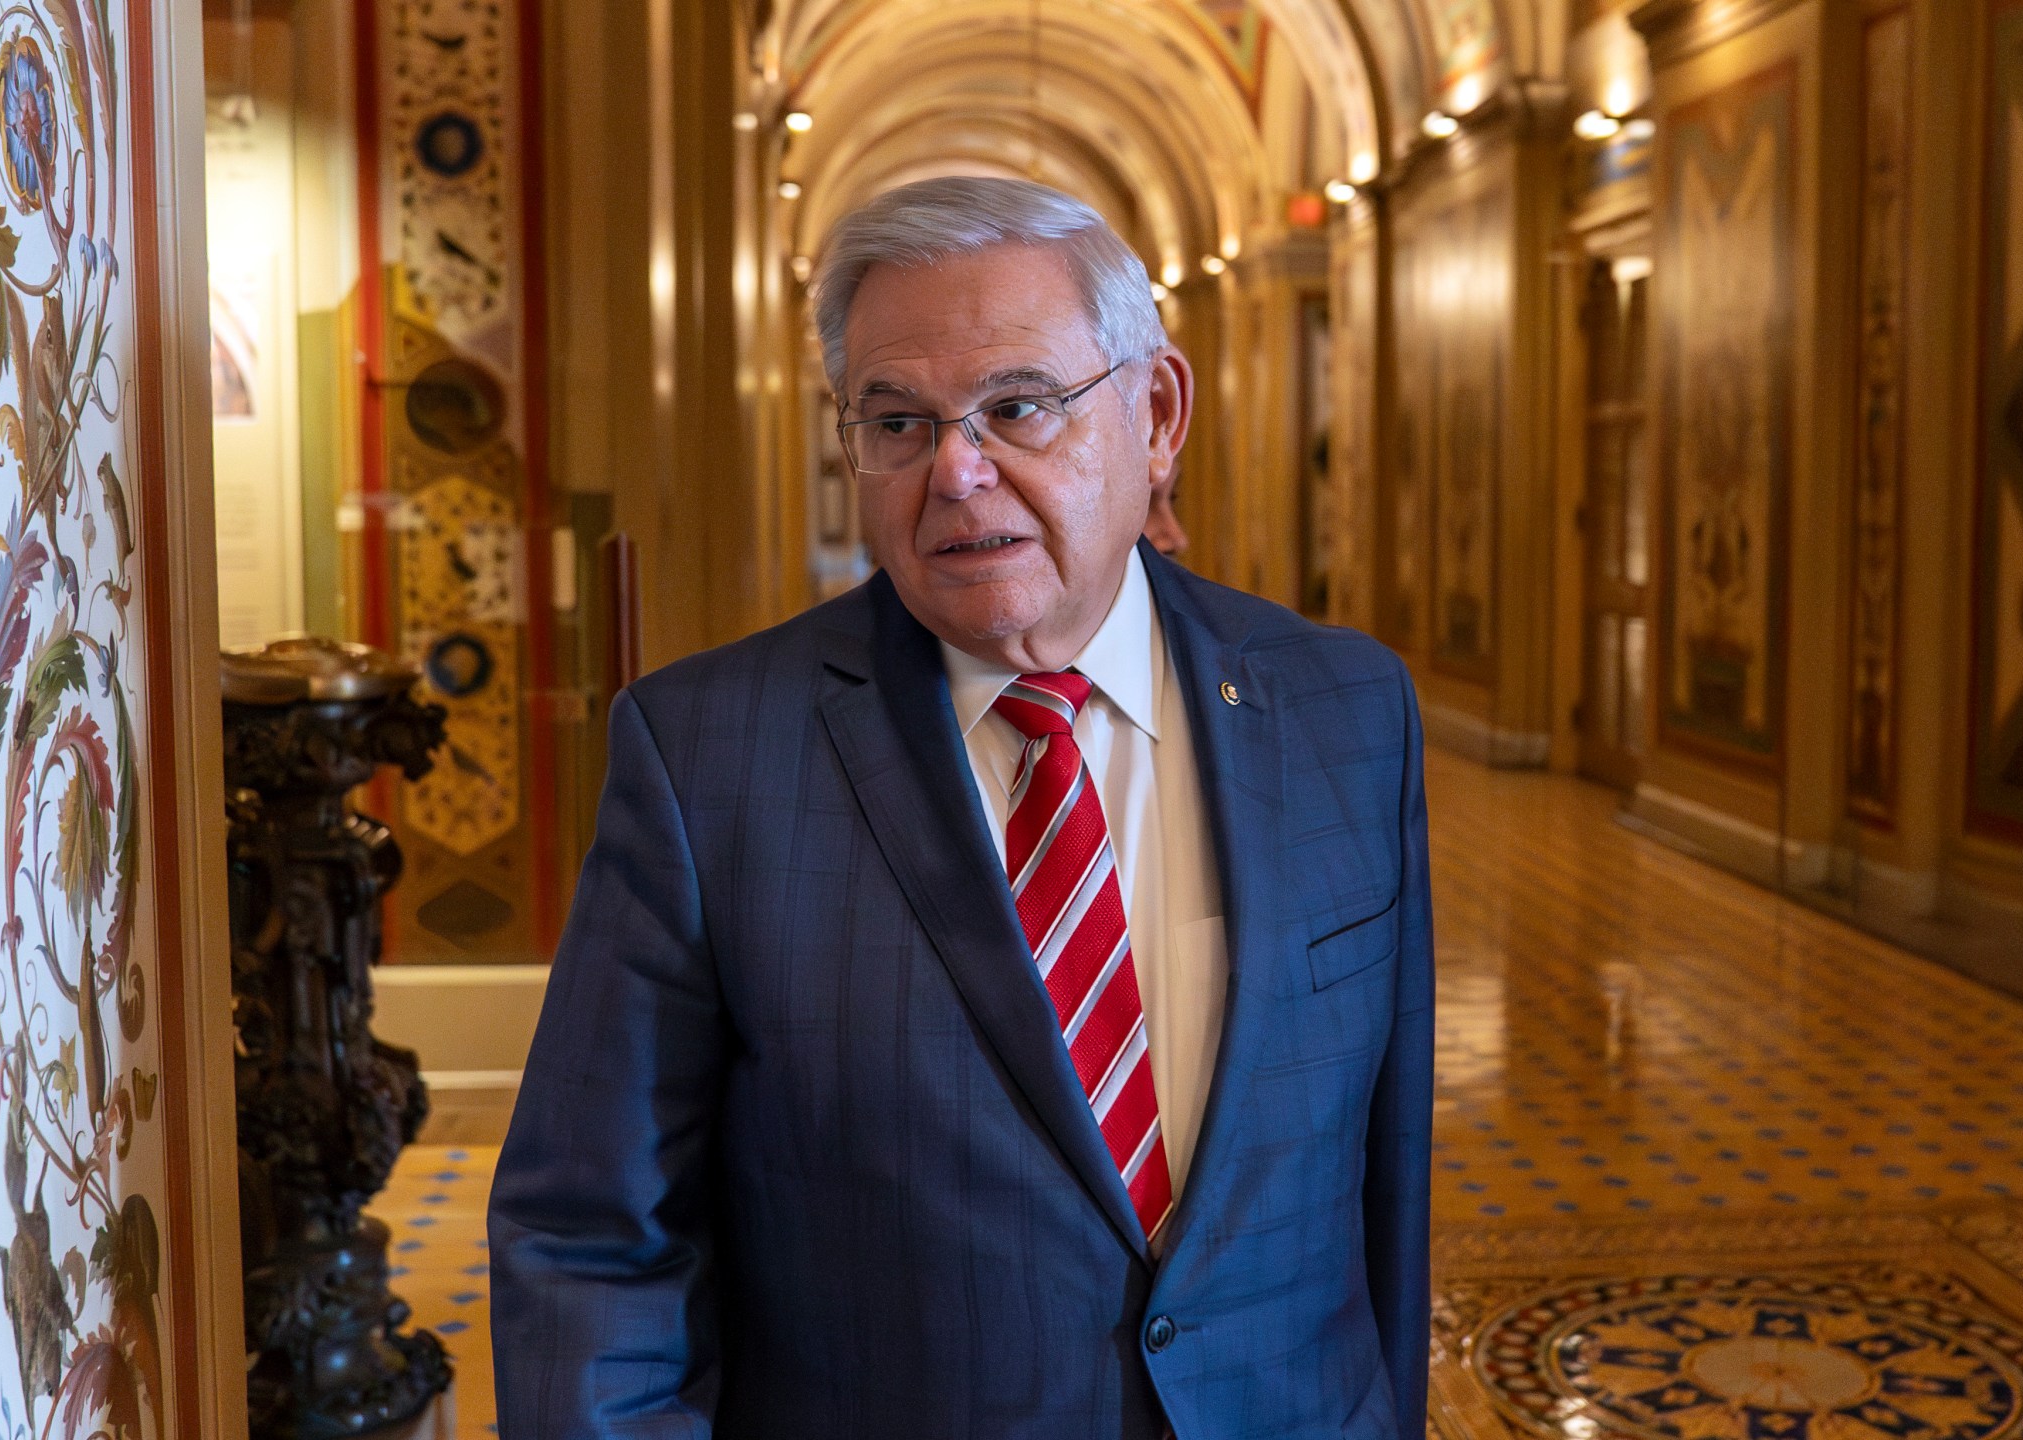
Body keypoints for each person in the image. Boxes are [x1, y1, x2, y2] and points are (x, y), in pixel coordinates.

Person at [488, 176, 1434, 1438]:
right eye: (896, 421)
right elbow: (591, 1245)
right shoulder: (706, 757)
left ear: (1155, 414)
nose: (959, 469)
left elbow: (1383, 1198)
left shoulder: (1347, 713)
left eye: (1019, 406)